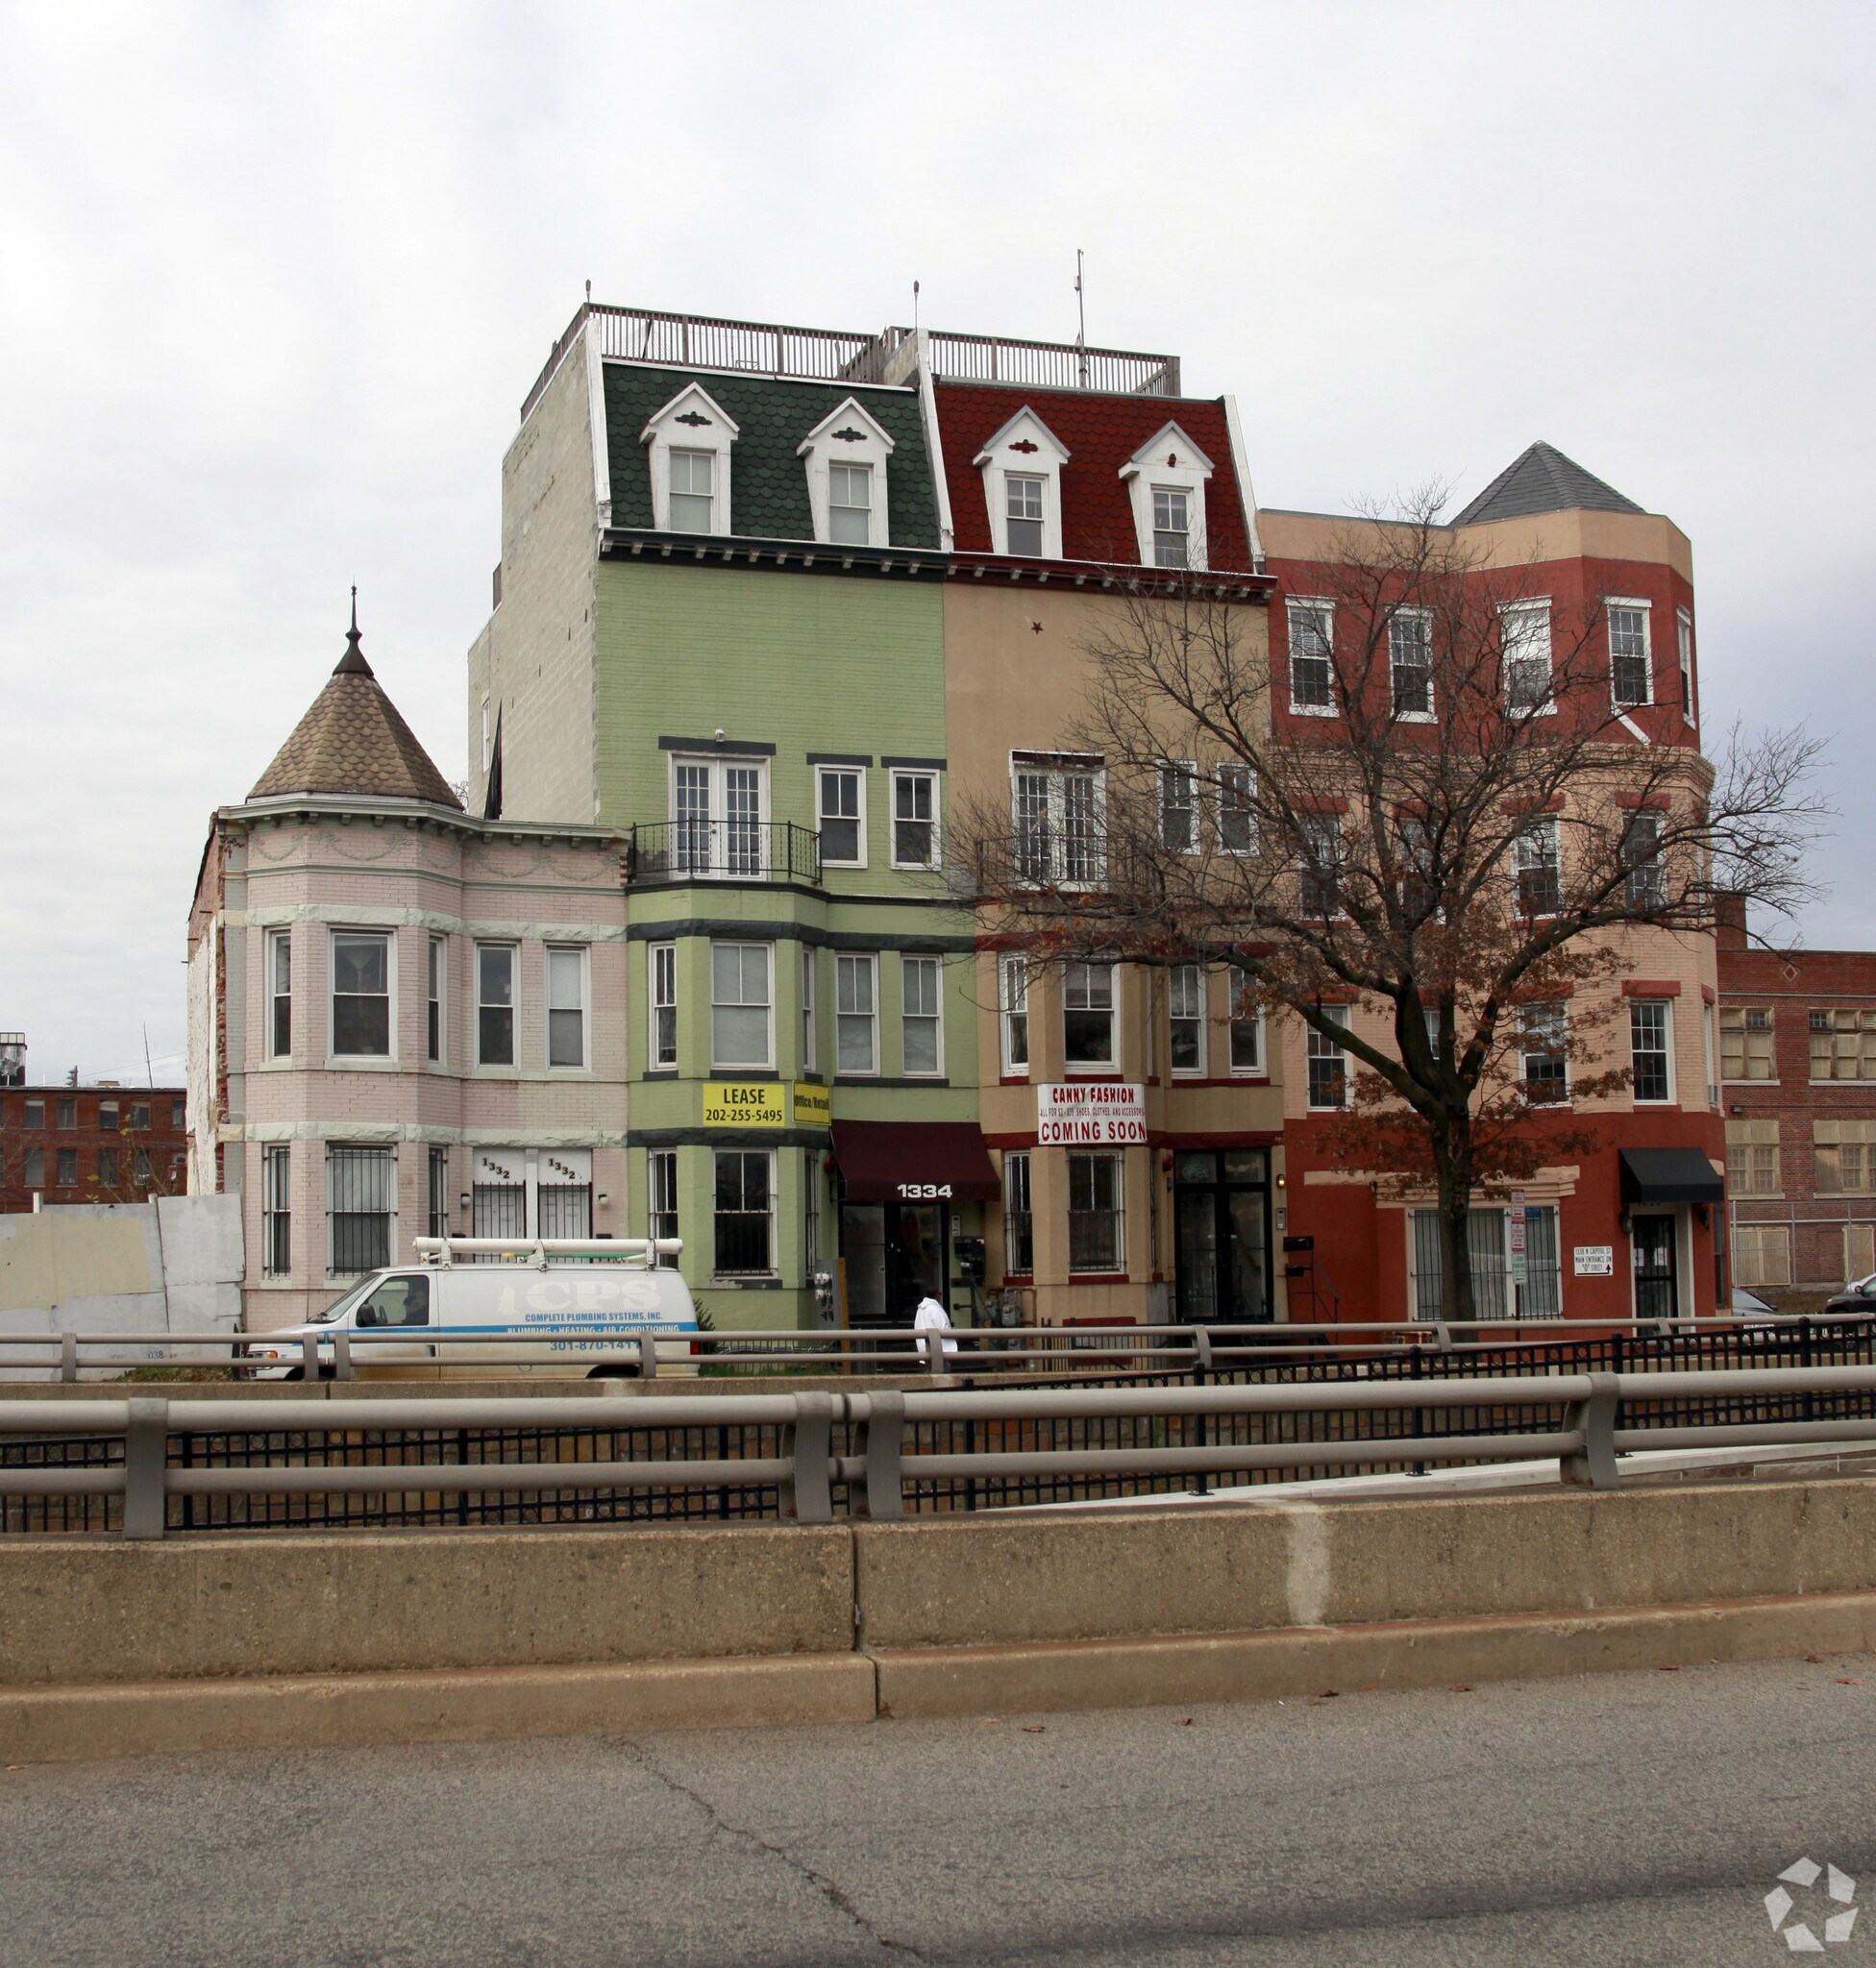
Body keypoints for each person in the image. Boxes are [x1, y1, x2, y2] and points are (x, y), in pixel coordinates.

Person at [912, 1293, 958, 1357]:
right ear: (937, 1295)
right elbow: (944, 1329)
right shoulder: (934, 1309)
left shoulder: (920, 1309)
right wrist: (955, 1335)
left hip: (924, 1351)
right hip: (939, 1351)